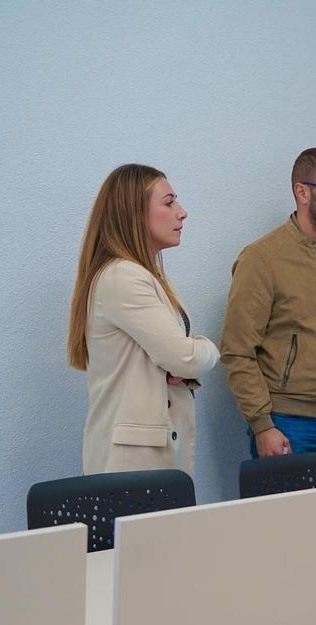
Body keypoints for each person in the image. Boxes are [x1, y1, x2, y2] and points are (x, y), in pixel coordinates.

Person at [221, 148, 316, 478]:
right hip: (287, 426)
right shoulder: (261, 259)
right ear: (302, 192)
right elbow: (237, 352)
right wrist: (262, 425)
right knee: (285, 529)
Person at [68, 164, 219, 476]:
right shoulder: (125, 277)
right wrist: (206, 349)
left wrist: (180, 363)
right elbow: (184, 357)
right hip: (132, 464)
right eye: (169, 203)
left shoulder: (143, 275)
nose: (182, 212)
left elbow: (176, 361)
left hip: (145, 457)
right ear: (134, 213)